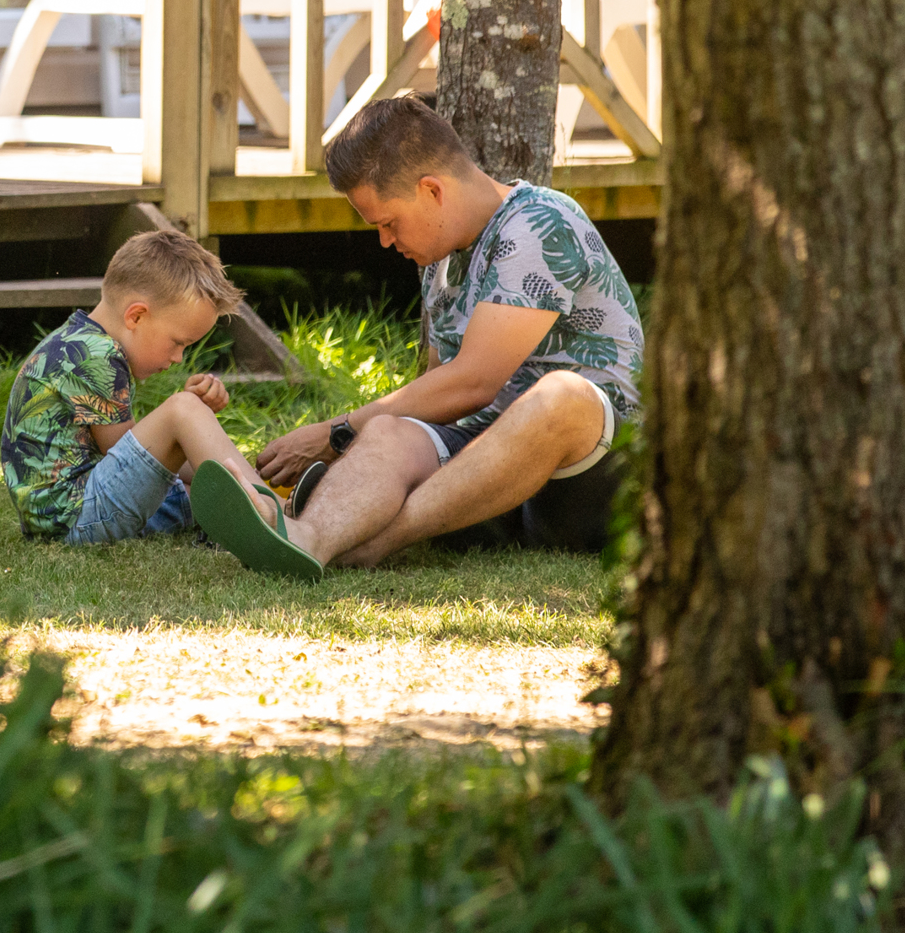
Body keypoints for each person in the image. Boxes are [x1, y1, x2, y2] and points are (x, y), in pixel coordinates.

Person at [194, 95, 641, 578]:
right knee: (388, 430)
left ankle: (375, 541)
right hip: (486, 480)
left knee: (563, 397)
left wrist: (335, 433)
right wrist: (361, 452)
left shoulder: (541, 223)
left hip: (590, 479)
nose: (385, 241)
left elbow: (473, 383)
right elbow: (437, 393)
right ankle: (306, 538)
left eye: (389, 223)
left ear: (432, 190)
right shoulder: (439, 258)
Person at [0, 226, 270, 546]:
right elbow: (126, 454)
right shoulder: (95, 355)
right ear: (137, 316)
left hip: (59, 517)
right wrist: (185, 422)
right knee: (181, 410)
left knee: (193, 484)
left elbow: (138, 463)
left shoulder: (78, 340)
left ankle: (250, 494)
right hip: (74, 518)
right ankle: (272, 510)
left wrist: (194, 439)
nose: (178, 358)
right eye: (178, 342)